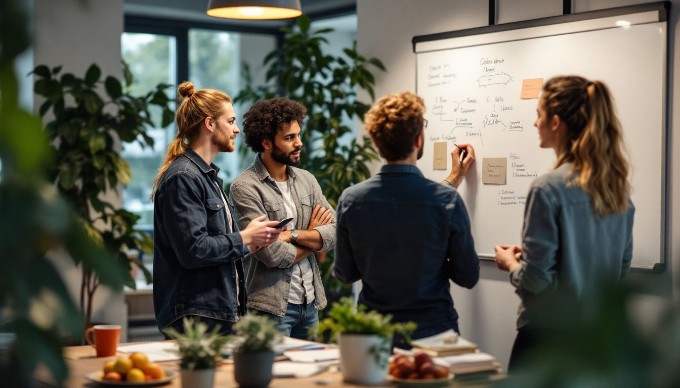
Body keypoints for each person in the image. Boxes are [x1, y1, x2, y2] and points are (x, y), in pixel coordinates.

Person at [494, 75, 635, 371]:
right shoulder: (618, 192)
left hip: (547, 343)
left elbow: (536, 282)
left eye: (538, 115)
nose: (535, 123)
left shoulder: (547, 189)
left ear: (556, 122)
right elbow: (618, 272)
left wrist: (511, 263)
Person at [333, 91, 479, 346]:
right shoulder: (446, 201)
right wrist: (435, 257)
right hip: (434, 333)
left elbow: (345, 274)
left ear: (376, 142)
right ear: (419, 139)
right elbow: (468, 276)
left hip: (373, 334)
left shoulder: (351, 199)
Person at [150, 81, 283, 336]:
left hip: (215, 314)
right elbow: (193, 250)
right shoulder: (184, 177)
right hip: (197, 318)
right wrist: (244, 237)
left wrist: (250, 243)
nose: (236, 130)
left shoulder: (207, 177)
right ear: (210, 124)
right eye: (231, 121)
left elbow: (213, 247)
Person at [230, 97, 336, 339]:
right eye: (289, 138)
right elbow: (272, 254)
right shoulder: (245, 187)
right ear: (266, 143)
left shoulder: (307, 179)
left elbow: (336, 232)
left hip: (310, 303)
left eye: (298, 135)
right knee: (275, 375)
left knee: (306, 375)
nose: (298, 143)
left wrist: (292, 235)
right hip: (271, 309)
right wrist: (313, 236)